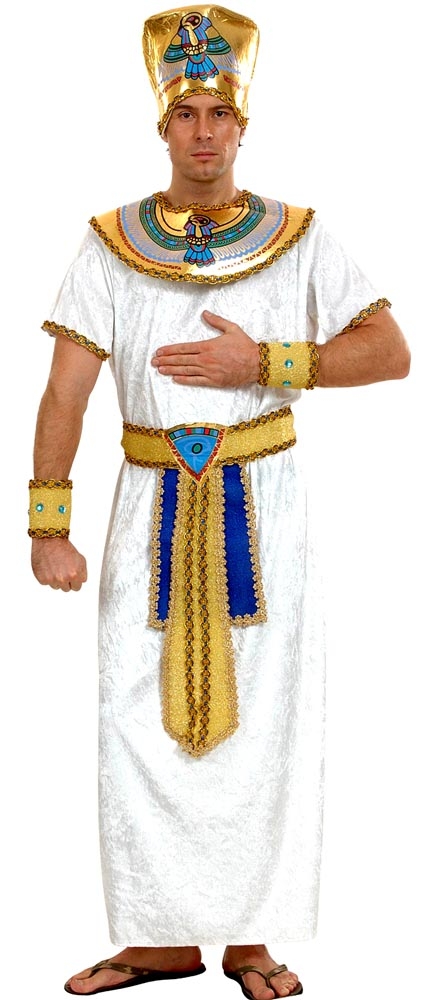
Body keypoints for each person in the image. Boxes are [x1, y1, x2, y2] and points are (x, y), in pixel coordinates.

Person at [29, 4, 410, 997]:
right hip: (147, 507)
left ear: (244, 125)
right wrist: (47, 523)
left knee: (269, 719)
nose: (203, 131)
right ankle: (157, 938)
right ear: (162, 126)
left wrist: (269, 363)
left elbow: (388, 350)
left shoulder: (301, 237)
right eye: (186, 113)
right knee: (134, 719)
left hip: (264, 506)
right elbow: (65, 391)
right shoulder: (109, 244)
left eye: (219, 113)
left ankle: (250, 941)